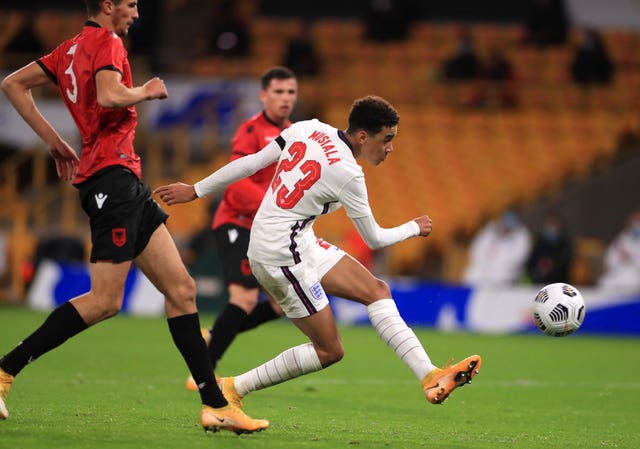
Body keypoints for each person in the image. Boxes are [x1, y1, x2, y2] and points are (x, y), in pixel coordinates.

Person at [0, 0, 267, 435]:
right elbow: (108, 95)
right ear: (108, 6)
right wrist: (145, 90)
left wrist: (54, 141)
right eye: (130, 4)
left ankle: (215, 404)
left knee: (181, 289)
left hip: (123, 181)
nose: (136, 14)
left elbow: (13, 84)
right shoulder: (107, 41)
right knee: (105, 301)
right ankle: (4, 371)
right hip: (111, 182)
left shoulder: (68, 49)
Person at [155, 95, 482, 412]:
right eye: (387, 139)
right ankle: (234, 388)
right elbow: (374, 238)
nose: (390, 147)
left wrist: (195, 189)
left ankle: (429, 375)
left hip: (294, 239)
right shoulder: (349, 174)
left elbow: (252, 162)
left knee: (376, 291)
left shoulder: (308, 127)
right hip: (280, 254)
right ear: (364, 136)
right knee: (329, 350)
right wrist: (414, 227)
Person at [184, 66, 297, 392]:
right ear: (264, 96)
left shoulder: (295, 133)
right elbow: (237, 182)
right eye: (278, 92)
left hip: (267, 228)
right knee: (245, 298)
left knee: (280, 305)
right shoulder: (250, 130)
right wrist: (275, 205)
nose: (285, 98)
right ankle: (204, 372)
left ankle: (215, 334)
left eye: (290, 92)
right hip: (237, 222)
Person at [462, 210, 532, 286]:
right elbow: (476, 251)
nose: (506, 230)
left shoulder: (519, 238)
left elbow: (519, 257)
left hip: (503, 279)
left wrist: (499, 269)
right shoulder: (490, 233)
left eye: (509, 228)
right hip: (479, 276)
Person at [526, 213, 574, 284]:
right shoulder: (539, 242)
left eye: (553, 224)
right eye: (548, 223)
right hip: (538, 284)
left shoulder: (565, 244)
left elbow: (566, 264)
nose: (550, 227)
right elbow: (530, 264)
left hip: (560, 283)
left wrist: (552, 266)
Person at [598, 210, 640, 289]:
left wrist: (631, 258)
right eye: (636, 220)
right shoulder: (622, 238)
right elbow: (610, 260)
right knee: (605, 282)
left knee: (630, 282)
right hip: (617, 274)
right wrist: (620, 258)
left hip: (635, 276)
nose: (637, 224)